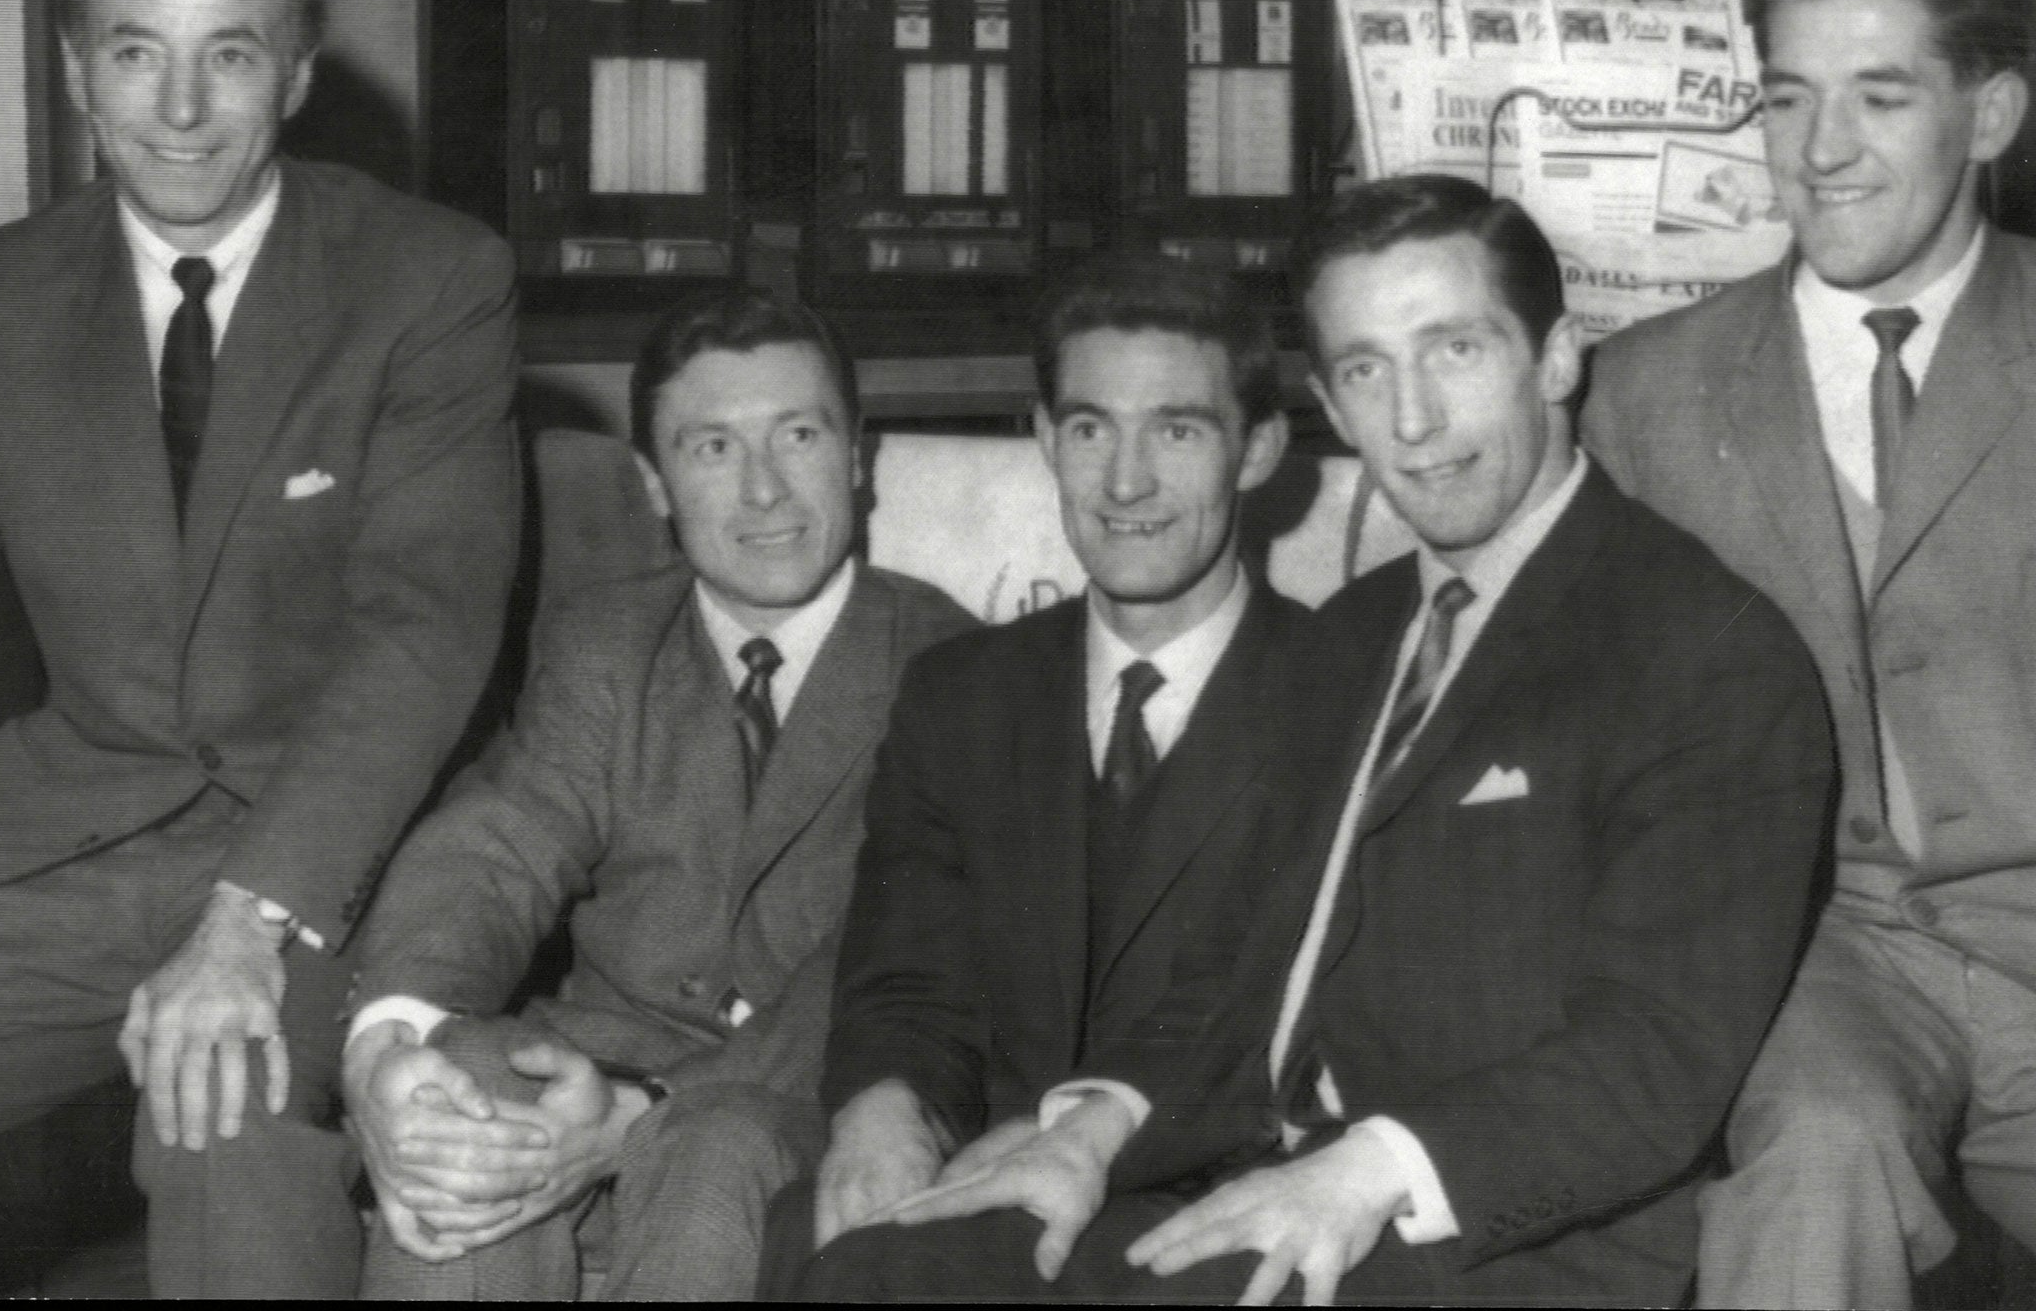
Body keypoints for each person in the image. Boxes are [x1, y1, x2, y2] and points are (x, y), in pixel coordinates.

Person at [793, 177, 1835, 1305]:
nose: (1412, 421)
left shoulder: (1705, 648)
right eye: (1365, 371)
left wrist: (1360, 1173)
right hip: (1268, 1182)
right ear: (1331, 406)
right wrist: (1088, 1133)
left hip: (1500, 1241)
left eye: (1454, 351)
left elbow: (1655, 1058)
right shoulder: (1354, 633)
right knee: (879, 1271)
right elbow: (1240, 965)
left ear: (1555, 359)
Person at [0, 0, 519, 1296]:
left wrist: (246, 919)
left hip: (327, 849)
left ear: (294, 76)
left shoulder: (430, 281)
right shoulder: (3, 297)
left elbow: (422, 632)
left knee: (223, 1114)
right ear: (75, 70)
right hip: (65, 837)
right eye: (134, 52)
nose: (178, 108)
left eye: (227, 54)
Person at [1584, 0, 2036, 1309]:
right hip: (1821, 956)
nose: (1819, 152)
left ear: (1991, 115)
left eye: (1879, 99)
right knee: (1813, 1156)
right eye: (1785, 99)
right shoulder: (1642, 395)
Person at [344, 291, 972, 1300]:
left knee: (712, 1148)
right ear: (653, 483)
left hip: (812, 1096)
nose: (763, 491)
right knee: (467, 1098)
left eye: (798, 436)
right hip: (593, 1061)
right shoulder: (606, 642)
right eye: (713, 448)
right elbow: (498, 845)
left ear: (857, 455)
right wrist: (393, 1035)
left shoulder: (955, 668)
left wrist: (647, 1107)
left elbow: (887, 963)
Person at [765, 253, 1329, 1293]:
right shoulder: (960, 694)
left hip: (1223, 1198)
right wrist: (887, 1108)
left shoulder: (1339, 693)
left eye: (1176, 431)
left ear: (1257, 450)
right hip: (984, 1180)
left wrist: (1069, 1136)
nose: (1125, 482)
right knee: (818, 1231)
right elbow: (908, 977)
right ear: (1041, 438)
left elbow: (1283, 1024)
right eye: (1089, 429)